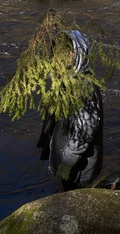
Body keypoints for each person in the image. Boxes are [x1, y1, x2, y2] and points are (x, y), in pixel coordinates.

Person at [37, 30, 103, 191]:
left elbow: (85, 132)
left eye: (65, 53)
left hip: (78, 165)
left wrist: (68, 163)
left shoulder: (83, 87)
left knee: (75, 194)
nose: (58, 59)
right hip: (65, 152)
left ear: (77, 54)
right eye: (56, 54)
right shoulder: (67, 79)